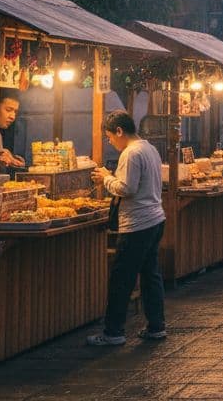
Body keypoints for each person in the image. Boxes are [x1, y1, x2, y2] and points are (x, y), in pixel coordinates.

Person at [87, 110, 166, 345]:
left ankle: (113, 332)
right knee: (151, 276)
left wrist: (105, 178)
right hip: (155, 219)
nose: (111, 142)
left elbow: (127, 189)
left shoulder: (131, 153)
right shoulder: (149, 148)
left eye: (110, 137)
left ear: (120, 131)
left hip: (137, 224)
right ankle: (156, 326)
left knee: (122, 278)